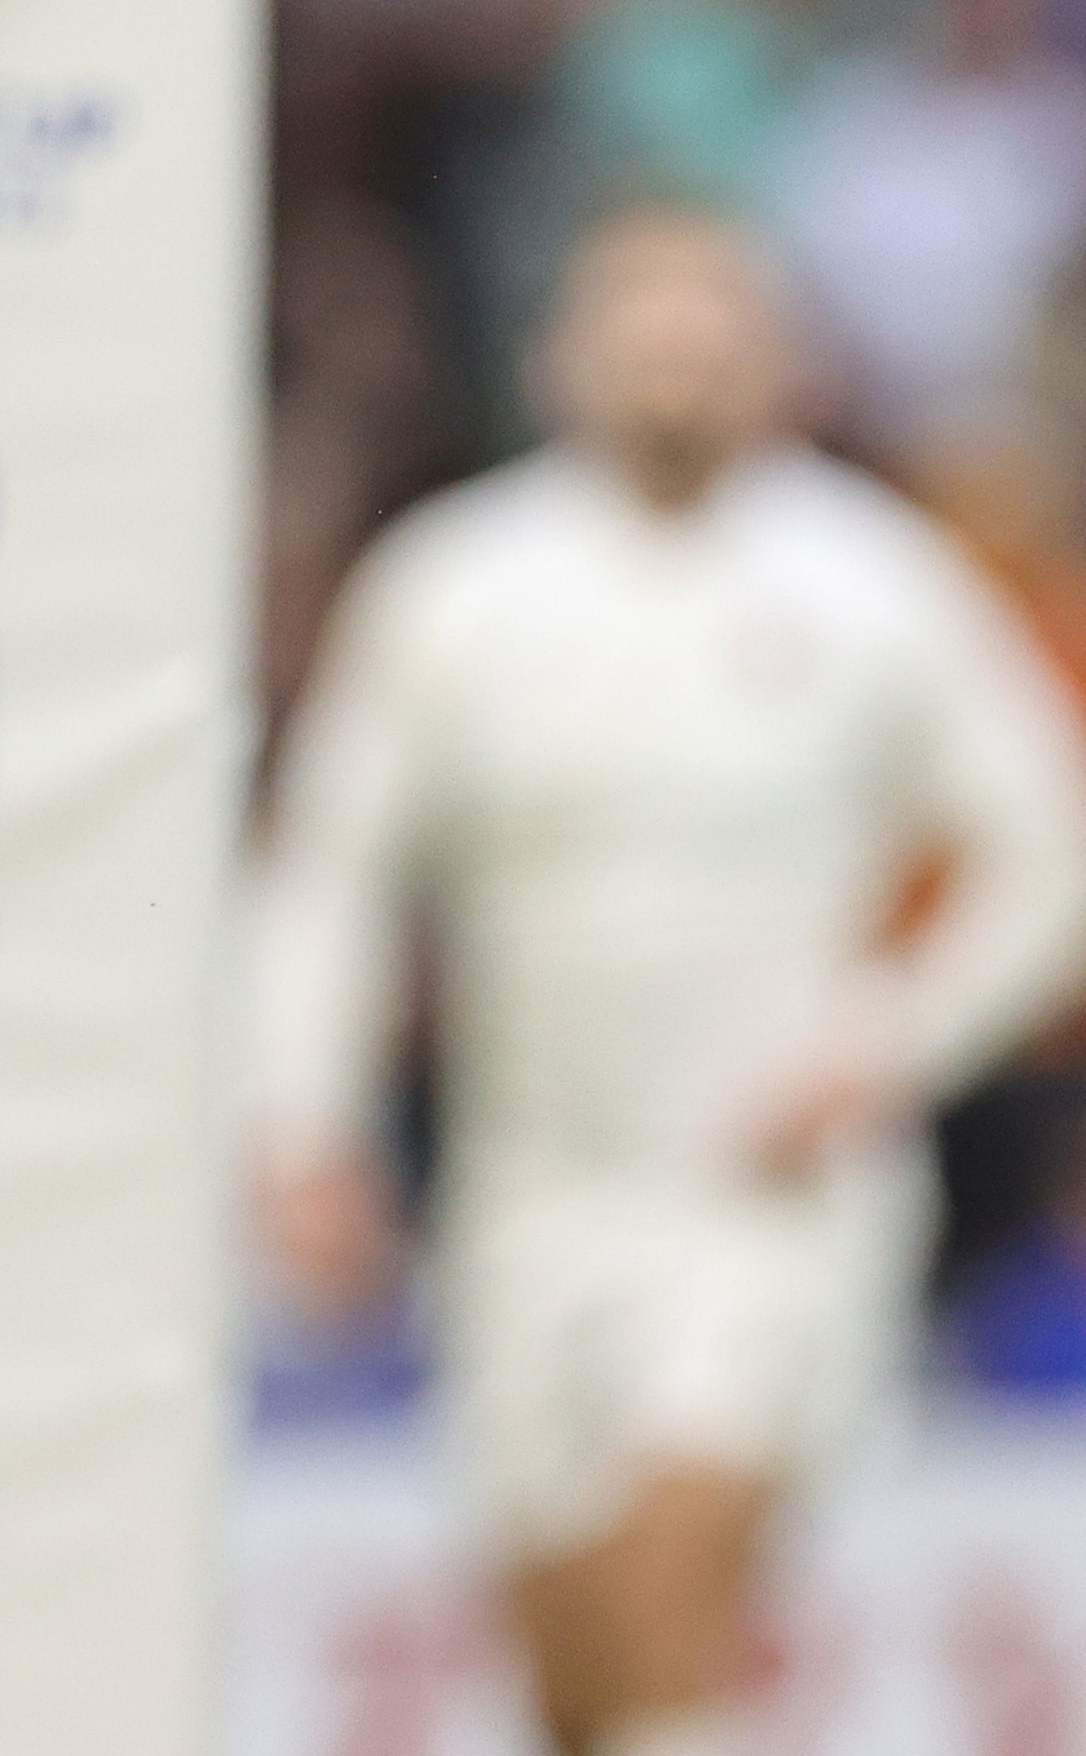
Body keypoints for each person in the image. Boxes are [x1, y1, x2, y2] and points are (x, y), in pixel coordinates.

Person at [248, 205, 1086, 1756]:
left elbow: (1045, 851)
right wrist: (304, 1121)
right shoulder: (456, 588)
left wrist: (886, 1038)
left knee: (671, 1593)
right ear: (558, 355)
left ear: (774, 363)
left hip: (761, 1193)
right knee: (575, 1672)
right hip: (528, 1189)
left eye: (707, 336)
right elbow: (333, 873)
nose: (673, 369)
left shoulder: (870, 581)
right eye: (642, 332)